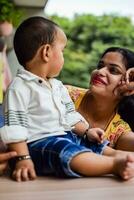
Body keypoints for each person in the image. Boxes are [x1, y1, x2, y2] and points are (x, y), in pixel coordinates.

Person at [1, 17, 134, 182]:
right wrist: (22, 159)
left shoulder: (57, 87)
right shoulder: (19, 87)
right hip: (38, 143)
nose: (100, 72)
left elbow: (70, 116)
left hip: (64, 135)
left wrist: (86, 131)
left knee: (89, 143)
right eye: (62, 51)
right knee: (66, 152)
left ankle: (119, 156)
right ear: (46, 52)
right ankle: (113, 165)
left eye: (113, 70)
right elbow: (15, 127)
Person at [67, 47, 134, 151]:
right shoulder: (65, 94)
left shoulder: (120, 133)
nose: (100, 72)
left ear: (129, 87)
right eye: (100, 66)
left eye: (113, 70)